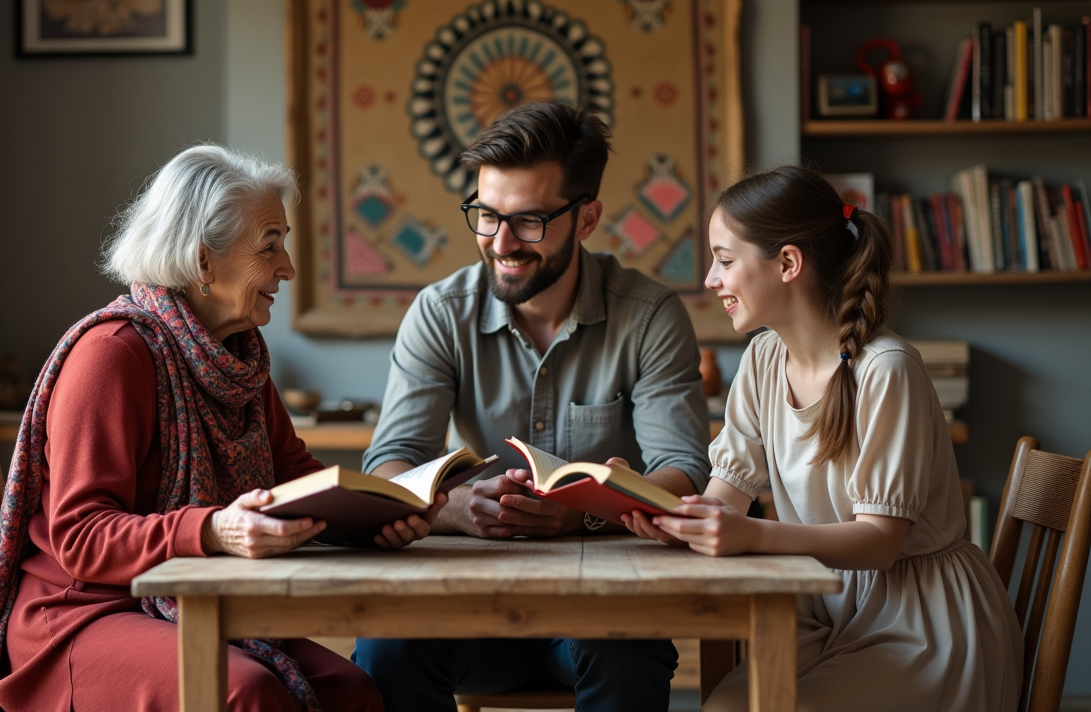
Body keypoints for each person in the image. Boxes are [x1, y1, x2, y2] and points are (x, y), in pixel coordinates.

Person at [0, 145, 439, 712]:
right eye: (270, 246)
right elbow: (80, 536)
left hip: (189, 600)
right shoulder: (111, 355)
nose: (287, 267)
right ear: (203, 261)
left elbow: (296, 478)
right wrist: (212, 531)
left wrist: (378, 514)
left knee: (353, 691)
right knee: (248, 692)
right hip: (82, 617)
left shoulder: (239, 359)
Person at [353, 102, 712, 712]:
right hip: (463, 600)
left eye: (530, 222)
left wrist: (587, 515)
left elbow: (681, 470)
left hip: (603, 605)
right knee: (384, 653)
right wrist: (454, 506)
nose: (501, 243)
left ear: (587, 217)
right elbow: (389, 465)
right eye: (486, 216)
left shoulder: (649, 315)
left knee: (631, 654)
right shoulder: (440, 313)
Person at [624, 165, 1023, 711]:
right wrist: (667, 516)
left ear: (788, 263)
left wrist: (751, 535)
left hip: (920, 627)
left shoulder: (886, 370)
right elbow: (726, 496)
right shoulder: (762, 360)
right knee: (720, 708)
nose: (711, 281)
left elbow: (880, 542)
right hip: (823, 612)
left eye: (724, 260)